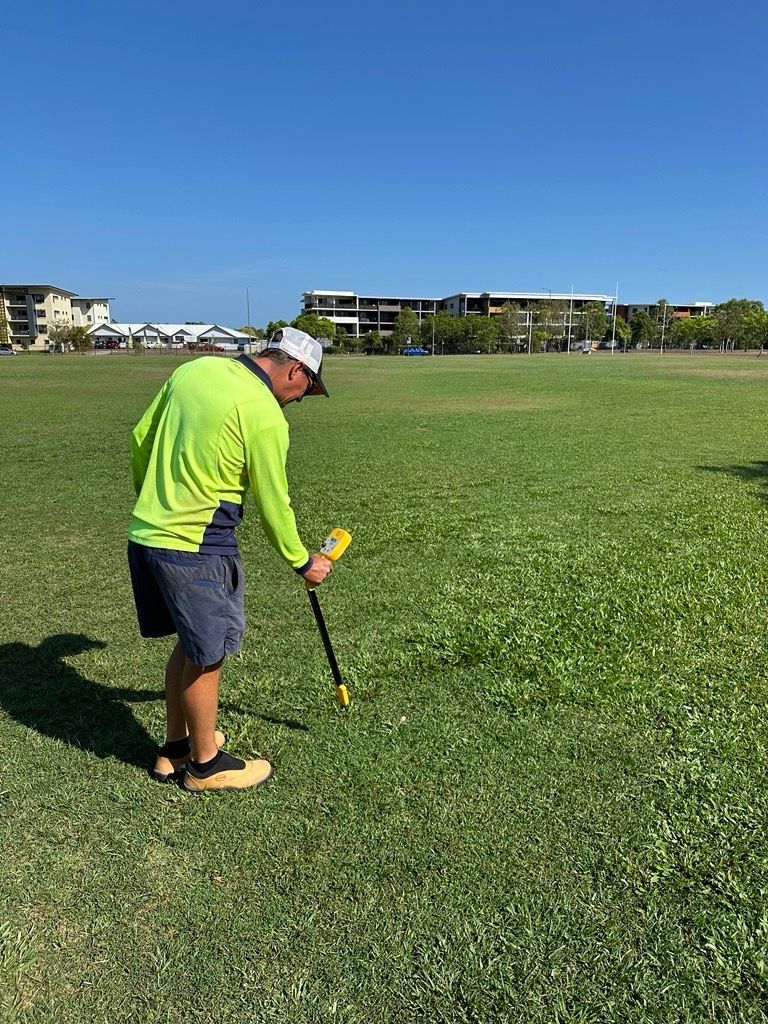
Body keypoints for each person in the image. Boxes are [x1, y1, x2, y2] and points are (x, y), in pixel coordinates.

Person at [127, 327, 333, 794]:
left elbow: (141, 438)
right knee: (209, 652)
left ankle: (175, 748)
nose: (300, 400)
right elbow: (274, 499)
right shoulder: (263, 413)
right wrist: (303, 562)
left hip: (147, 533)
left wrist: (155, 503)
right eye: (307, 389)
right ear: (296, 370)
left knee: (190, 643)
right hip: (198, 544)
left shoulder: (194, 370)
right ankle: (205, 764)